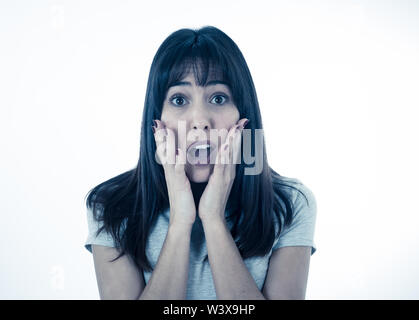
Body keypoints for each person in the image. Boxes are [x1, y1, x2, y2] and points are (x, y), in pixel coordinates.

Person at [84, 26, 317, 300]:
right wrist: (181, 221)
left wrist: (213, 219)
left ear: (244, 116)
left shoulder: (290, 203)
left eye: (218, 98)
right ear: (156, 119)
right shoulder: (109, 206)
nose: (200, 121)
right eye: (179, 99)